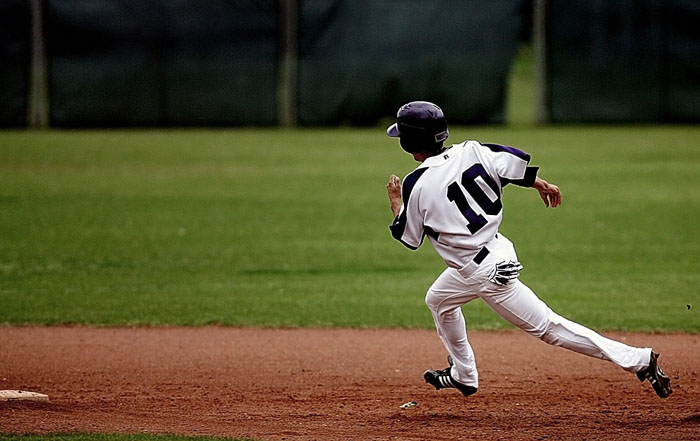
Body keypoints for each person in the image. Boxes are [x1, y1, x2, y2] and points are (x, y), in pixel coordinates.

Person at [385, 101, 672, 399]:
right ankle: (464, 374)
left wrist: (396, 201)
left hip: (482, 272)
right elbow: (510, 165)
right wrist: (540, 184)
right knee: (439, 300)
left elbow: (409, 237)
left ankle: (638, 359)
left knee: (549, 328)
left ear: (409, 142)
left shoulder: (415, 183)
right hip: (494, 251)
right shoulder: (472, 149)